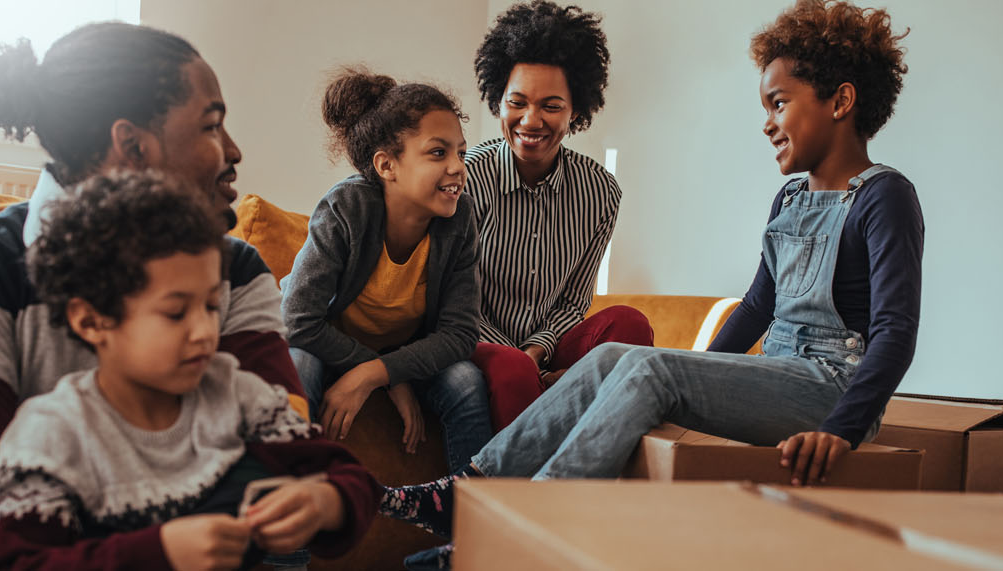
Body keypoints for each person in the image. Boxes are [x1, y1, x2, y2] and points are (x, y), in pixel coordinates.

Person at [0, 23, 378, 571]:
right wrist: (160, 545)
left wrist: (308, 499)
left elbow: (281, 470)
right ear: (133, 146)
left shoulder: (235, 269)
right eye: (211, 124)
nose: (234, 151)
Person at [384, 1, 922, 568]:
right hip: (779, 372)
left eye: (779, 103)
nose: (767, 122)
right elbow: (759, 305)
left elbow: (896, 331)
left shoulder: (885, 197)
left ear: (840, 101)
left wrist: (843, 428)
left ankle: (513, 536)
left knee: (650, 363)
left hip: (831, 385)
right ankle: (467, 489)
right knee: (616, 355)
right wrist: (705, 378)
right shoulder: (789, 199)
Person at [0, 170, 358, 570]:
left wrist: (328, 501)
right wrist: (159, 552)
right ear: (91, 321)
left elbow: (348, 476)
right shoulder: (51, 432)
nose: (204, 332)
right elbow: (14, 562)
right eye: (175, 312)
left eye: (212, 307)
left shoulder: (237, 393)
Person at [281, 69, 492, 473]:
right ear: (386, 165)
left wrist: (378, 373)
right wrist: (382, 375)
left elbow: (461, 334)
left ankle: (469, 526)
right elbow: (298, 320)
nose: (457, 167)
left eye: (461, 153)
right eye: (438, 153)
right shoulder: (346, 209)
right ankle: (291, 527)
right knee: (297, 365)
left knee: (465, 382)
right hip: (327, 346)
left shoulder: (458, 219)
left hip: (398, 354)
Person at [465, 0, 654, 430]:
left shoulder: (601, 192)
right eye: (517, 102)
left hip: (548, 349)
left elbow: (573, 301)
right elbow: (455, 300)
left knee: (630, 325)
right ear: (498, 102)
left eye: (551, 105)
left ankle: (558, 390)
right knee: (511, 370)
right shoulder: (467, 180)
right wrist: (518, 359)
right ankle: (534, 487)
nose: (530, 120)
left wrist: (537, 350)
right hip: (477, 339)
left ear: (576, 111)